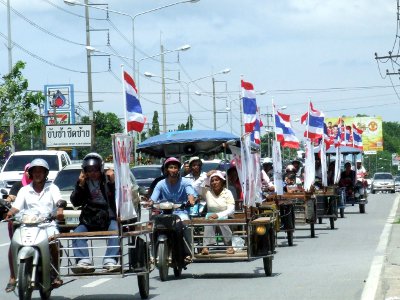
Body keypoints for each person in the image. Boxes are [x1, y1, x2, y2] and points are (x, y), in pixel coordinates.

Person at [6, 159, 65, 289]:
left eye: (40, 171)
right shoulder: (24, 190)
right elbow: (16, 207)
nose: (38, 174)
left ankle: (55, 274)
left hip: (48, 224)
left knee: (55, 243)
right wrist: (10, 213)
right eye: (35, 172)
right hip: (28, 225)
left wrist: (60, 211)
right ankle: (14, 276)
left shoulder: (52, 188)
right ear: (31, 174)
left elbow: (59, 201)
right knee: (15, 243)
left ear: (45, 173)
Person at [70, 153, 119, 273]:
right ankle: (83, 261)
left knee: (116, 232)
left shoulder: (108, 180)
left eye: (95, 170)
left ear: (101, 169)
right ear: (85, 171)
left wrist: (113, 183)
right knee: (76, 233)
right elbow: (75, 202)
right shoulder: (83, 182)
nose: (92, 173)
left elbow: (117, 199)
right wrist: (80, 186)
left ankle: (110, 260)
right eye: (89, 170)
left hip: (107, 217)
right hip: (89, 219)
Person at [150, 157, 195, 262]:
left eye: (175, 167)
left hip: (181, 212)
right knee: (151, 227)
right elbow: (153, 198)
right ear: (166, 169)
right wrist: (150, 203)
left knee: (186, 225)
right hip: (163, 212)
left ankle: (188, 252)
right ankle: (153, 253)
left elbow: (190, 194)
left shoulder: (185, 182)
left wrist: (191, 200)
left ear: (178, 169)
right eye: (171, 167)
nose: (173, 170)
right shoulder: (160, 184)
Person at [4, 163, 31, 293]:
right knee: (13, 245)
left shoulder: (45, 187)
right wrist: (8, 200)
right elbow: (13, 197)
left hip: (41, 222)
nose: (34, 174)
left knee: (52, 240)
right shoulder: (20, 187)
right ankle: (13, 277)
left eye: (39, 171)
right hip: (21, 221)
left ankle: (52, 273)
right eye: (30, 171)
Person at [197, 170, 235, 255]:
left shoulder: (227, 192)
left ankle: (229, 246)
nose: (214, 182)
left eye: (217, 180)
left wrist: (218, 215)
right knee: (209, 221)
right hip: (211, 217)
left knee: (221, 221)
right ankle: (206, 246)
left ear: (222, 181)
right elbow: (195, 186)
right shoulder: (207, 192)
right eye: (212, 181)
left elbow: (231, 209)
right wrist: (205, 176)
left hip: (226, 217)